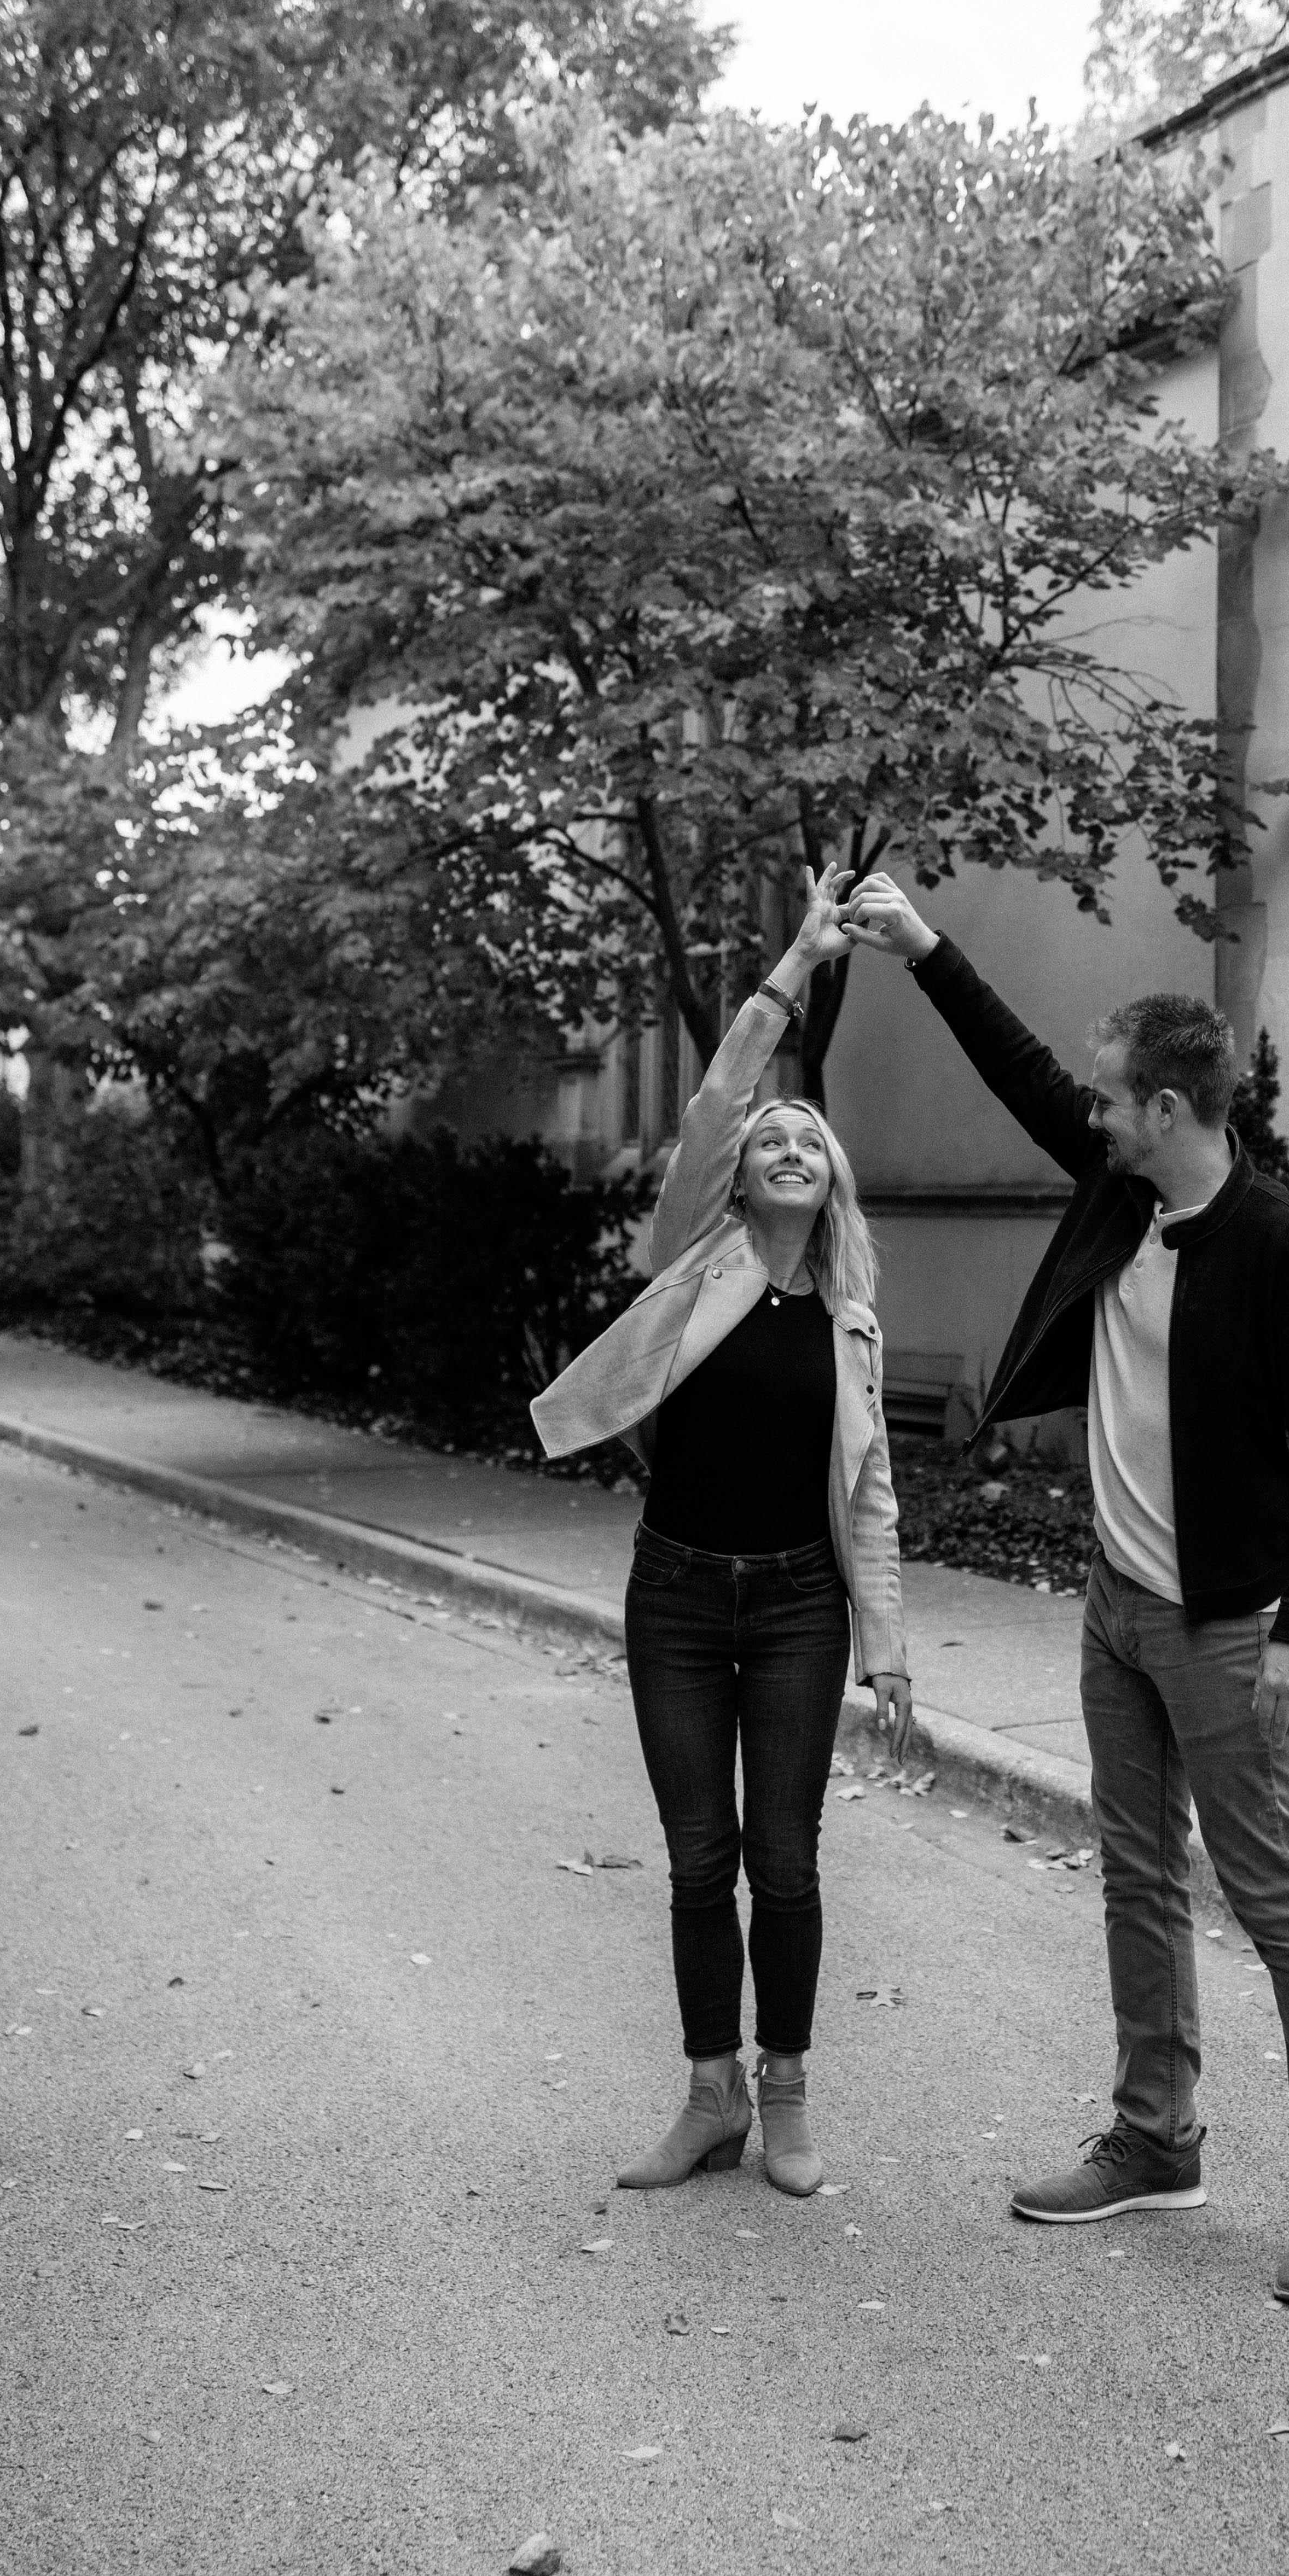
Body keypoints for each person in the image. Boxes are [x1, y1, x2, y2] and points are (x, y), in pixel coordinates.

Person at [841, 873, 1289, 2307]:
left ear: (1166, 1107)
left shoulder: (1281, 1247)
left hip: (1226, 1628)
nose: (1088, 1113)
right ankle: (1157, 2138)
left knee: (1276, 1899)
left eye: (1109, 1099)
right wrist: (922, 947)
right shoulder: (1118, 1194)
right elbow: (1022, 1071)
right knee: (1137, 1879)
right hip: (1116, 1613)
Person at [531, 866, 913, 2201]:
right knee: (700, 1859)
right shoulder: (699, 1260)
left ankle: (787, 2093)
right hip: (680, 1598)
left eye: (811, 1140)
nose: (789, 1147)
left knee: (784, 1863)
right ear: (739, 1179)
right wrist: (797, 962)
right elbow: (712, 1105)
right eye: (771, 1141)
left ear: (834, 1179)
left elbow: (871, 1497)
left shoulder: (851, 1325)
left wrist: (888, 1647)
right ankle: (712, 2098)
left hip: (803, 1605)